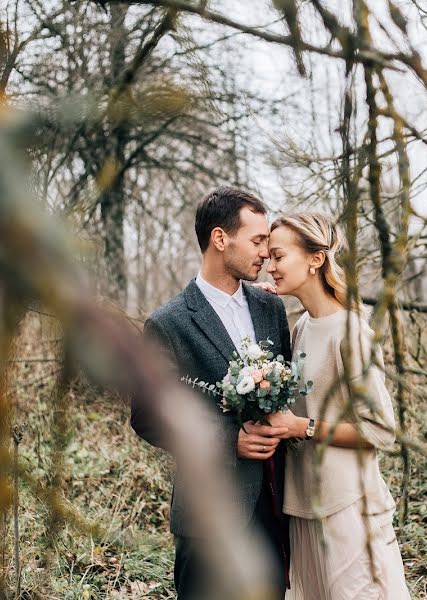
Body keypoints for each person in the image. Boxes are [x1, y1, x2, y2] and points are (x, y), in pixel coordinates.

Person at [131, 186, 291, 599]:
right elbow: (148, 418)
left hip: (276, 507)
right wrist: (229, 440)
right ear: (220, 239)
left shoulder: (271, 308)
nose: (265, 253)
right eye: (257, 241)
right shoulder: (168, 324)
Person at [265, 212, 410, 600]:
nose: (271, 266)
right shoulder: (300, 327)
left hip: (347, 504)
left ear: (315, 259)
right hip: (303, 501)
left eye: (278, 256)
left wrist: (302, 427)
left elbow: (380, 429)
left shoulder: (351, 332)